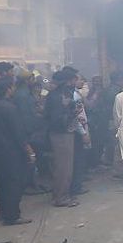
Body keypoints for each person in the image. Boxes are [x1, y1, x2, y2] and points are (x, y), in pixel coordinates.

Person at [0, 77, 34, 225]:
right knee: (15, 183)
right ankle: (12, 216)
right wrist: (28, 150)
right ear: (7, 90)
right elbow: (18, 133)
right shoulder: (10, 109)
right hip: (12, 152)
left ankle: (3, 211)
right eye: (11, 87)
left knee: (2, 183)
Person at [44, 67, 80, 207]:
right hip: (62, 134)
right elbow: (58, 118)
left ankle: (60, 194)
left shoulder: (55, 94)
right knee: (64, 167)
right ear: (67, 81)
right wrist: (72, 112)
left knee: (62, 166)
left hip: (60, 133)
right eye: (72, 80)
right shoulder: (60, 96)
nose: (73, 83)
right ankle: (61, 197)